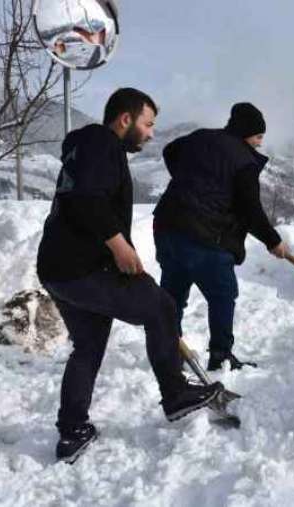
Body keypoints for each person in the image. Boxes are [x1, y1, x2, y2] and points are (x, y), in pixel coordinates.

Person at [37, 88, 223, 464]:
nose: (152, 133)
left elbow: (90, 201)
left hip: (59, 269)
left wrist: (118, 248)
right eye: (148, 123)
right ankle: (175, 394)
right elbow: (86, 200)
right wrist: (119, 246)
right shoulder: (101, 142)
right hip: (81, 267)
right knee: (161, 309)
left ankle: (72, 429)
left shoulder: (86, 147)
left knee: (88, 346)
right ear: (125, 119)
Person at [153, 102, 290, 372]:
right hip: (206, 235)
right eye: (259, 136)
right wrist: (273, 240)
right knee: (222, 295)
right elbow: (250, 209)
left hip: (168, 226)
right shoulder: (244, 160)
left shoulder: (201, 137)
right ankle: (221, 356)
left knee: (172, 293)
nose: (261, 143)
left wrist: (188, 180)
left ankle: (169, 353)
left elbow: (170, 150)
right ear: (246, 133)